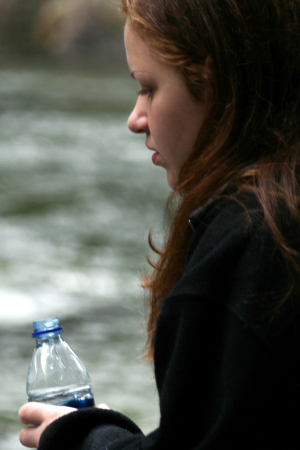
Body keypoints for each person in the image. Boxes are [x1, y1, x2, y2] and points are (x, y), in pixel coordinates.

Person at [19, 0, 300, 448]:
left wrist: (81, 438)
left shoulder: (246, 249)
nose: (135, 119)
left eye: (148, 88)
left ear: (212, 81)